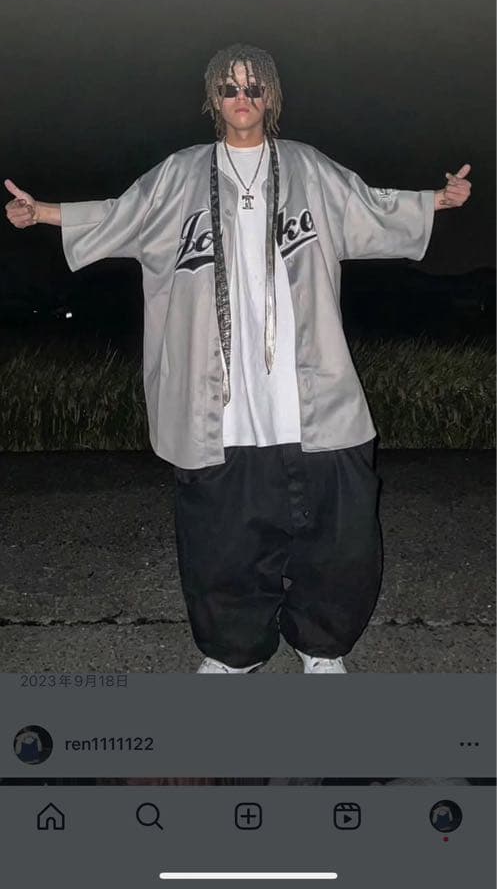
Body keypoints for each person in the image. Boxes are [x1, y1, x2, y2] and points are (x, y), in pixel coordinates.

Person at [4, 43, 472, 675]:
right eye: (229, 87)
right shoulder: (180, 174)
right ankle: (234, 649)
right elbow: (120, 216)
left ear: (271, 95)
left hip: (309, 387)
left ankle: (322, 643)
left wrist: (437, 201)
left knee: (339, 529)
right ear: (213, 98)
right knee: (222, 534)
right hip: (219, 395)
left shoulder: (306, 167)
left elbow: (371, 206)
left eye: (254, 87)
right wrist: (41, 213)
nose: (242, 97)